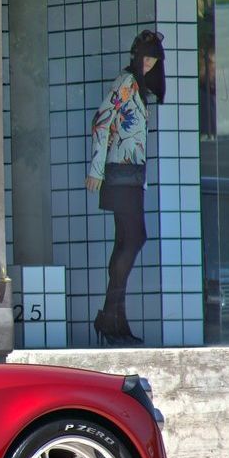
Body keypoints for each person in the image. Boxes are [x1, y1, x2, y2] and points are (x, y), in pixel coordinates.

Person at [85, 29, 167, 345]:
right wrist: (96, 169)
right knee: (134, 237)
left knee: (125, 241)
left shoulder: (138, 87)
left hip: (131, 174)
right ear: (136, 56)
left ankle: (115, 320)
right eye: (145, 57)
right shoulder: (126, 82)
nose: (148, 63)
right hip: (119, 174)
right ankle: (110, 316)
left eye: (154, 59)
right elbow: (101, 120)